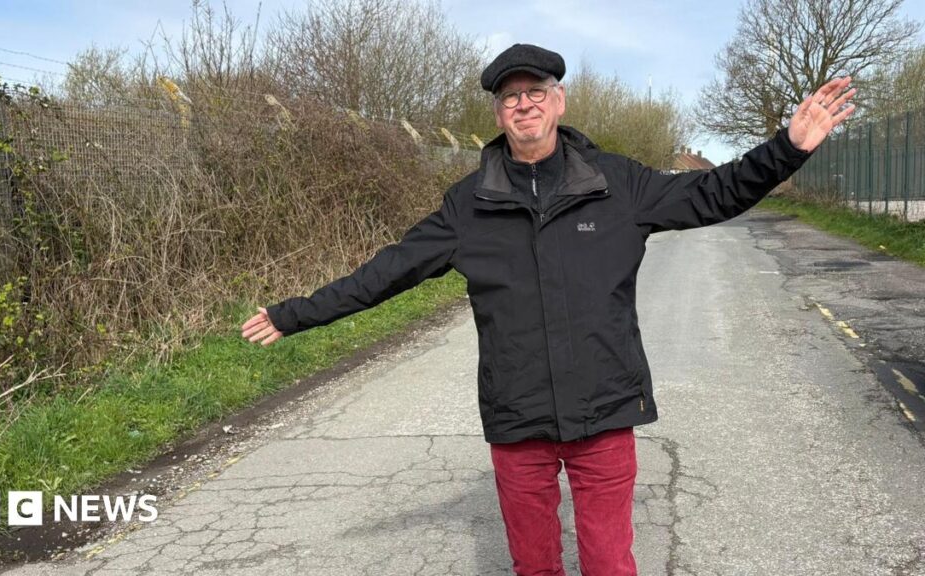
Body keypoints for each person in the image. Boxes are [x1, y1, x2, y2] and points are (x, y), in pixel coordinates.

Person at [241, 43, 855, 576]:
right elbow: (386, 272)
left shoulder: (620, 184)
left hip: (605, 411)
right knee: (534, 565)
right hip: (519, 420)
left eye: (535, 91)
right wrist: (296, 314)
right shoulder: (468, 205)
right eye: (510, 98)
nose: (524, 104)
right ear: (498, 114)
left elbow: (714, 192)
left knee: (609, 564)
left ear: (558, 102)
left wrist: (788, 148)